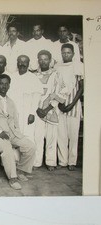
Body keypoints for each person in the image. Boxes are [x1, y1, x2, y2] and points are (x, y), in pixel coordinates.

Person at [0, 74, 36, 190]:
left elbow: (15, 120)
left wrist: (17, 134)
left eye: (6, 84)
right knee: (7, 149)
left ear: (9, 85)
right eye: (1, 83)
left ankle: (21, 171)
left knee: (30, 146)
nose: (4, 86)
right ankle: (12, 178)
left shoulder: (11, 101)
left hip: (12, 133)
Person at [34, 50, 65, 171]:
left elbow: (61, 92)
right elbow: (33, 94)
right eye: (40, 59)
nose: (43, 62)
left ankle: (50, 162)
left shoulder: (56, 74)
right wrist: (37, 108)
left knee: (52, 137)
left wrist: (48, 108)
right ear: (38, 61)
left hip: (51, 109)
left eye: (45, 59)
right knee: (38, 136)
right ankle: (36, 162)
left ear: (50, 60)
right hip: (37, 111)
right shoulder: (34, 75)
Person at [55, 43, 84, 171]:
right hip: (60, 105)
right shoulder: (57, 66)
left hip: (74, 105)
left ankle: (72, 161)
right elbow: (55, 86)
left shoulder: (78, 66)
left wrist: (71, 104)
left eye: (68, 52)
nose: (66, 55)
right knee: (61, 135)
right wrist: (61, 104)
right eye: (63, 52)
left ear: (73, 53)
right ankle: (62, 161)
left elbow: (81, 87)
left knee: (73, 135)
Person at [8, 55, 43, 142]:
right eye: (20, 62)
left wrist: (32, 113)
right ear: (17, 63)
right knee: (15, 137)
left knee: (28, 138)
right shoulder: (12, 77)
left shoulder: (33, 78)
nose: (22, 64)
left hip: (27, 113)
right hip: (14, 113)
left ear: (28, 64)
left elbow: (36, 98)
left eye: (25, 62)